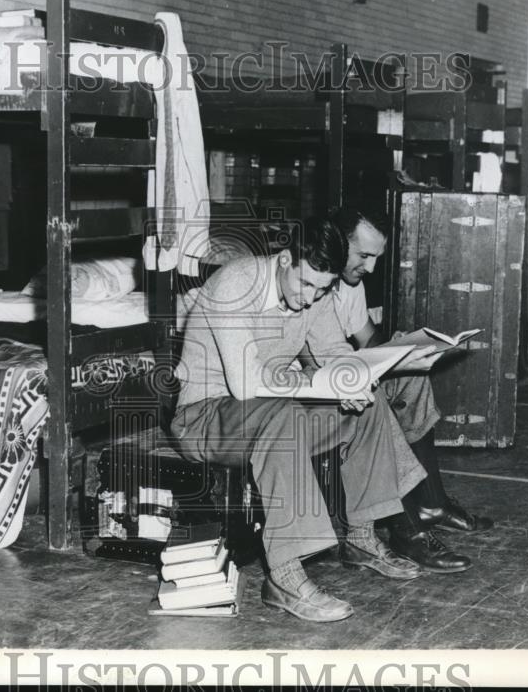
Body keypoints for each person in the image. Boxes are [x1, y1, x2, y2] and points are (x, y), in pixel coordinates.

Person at [170, 217, 430, 623]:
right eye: (304, 284)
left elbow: (332, 352)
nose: (310, 298)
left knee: (368, 401)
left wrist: (356, 378)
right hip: (204, 417)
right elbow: (244, 384)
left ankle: (361, 537)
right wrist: (315, 380)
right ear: (284, 260)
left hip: (267, 414)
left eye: (322, 289)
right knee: (285, 415)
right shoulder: (236, 284)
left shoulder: (318, 290)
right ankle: (285, 577)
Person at [303, 207, 494, 574]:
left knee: (412, 379)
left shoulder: (350, 283)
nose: (370, 268)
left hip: (344, 370)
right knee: (375, 401)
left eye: (376, 257)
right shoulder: (315, 285)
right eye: (364, 256)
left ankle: (432, 502)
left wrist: (406, 349)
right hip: (315, 383)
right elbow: (324, 362)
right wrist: (383, 364)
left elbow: (365, 339)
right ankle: (405, 528)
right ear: (337, 244)